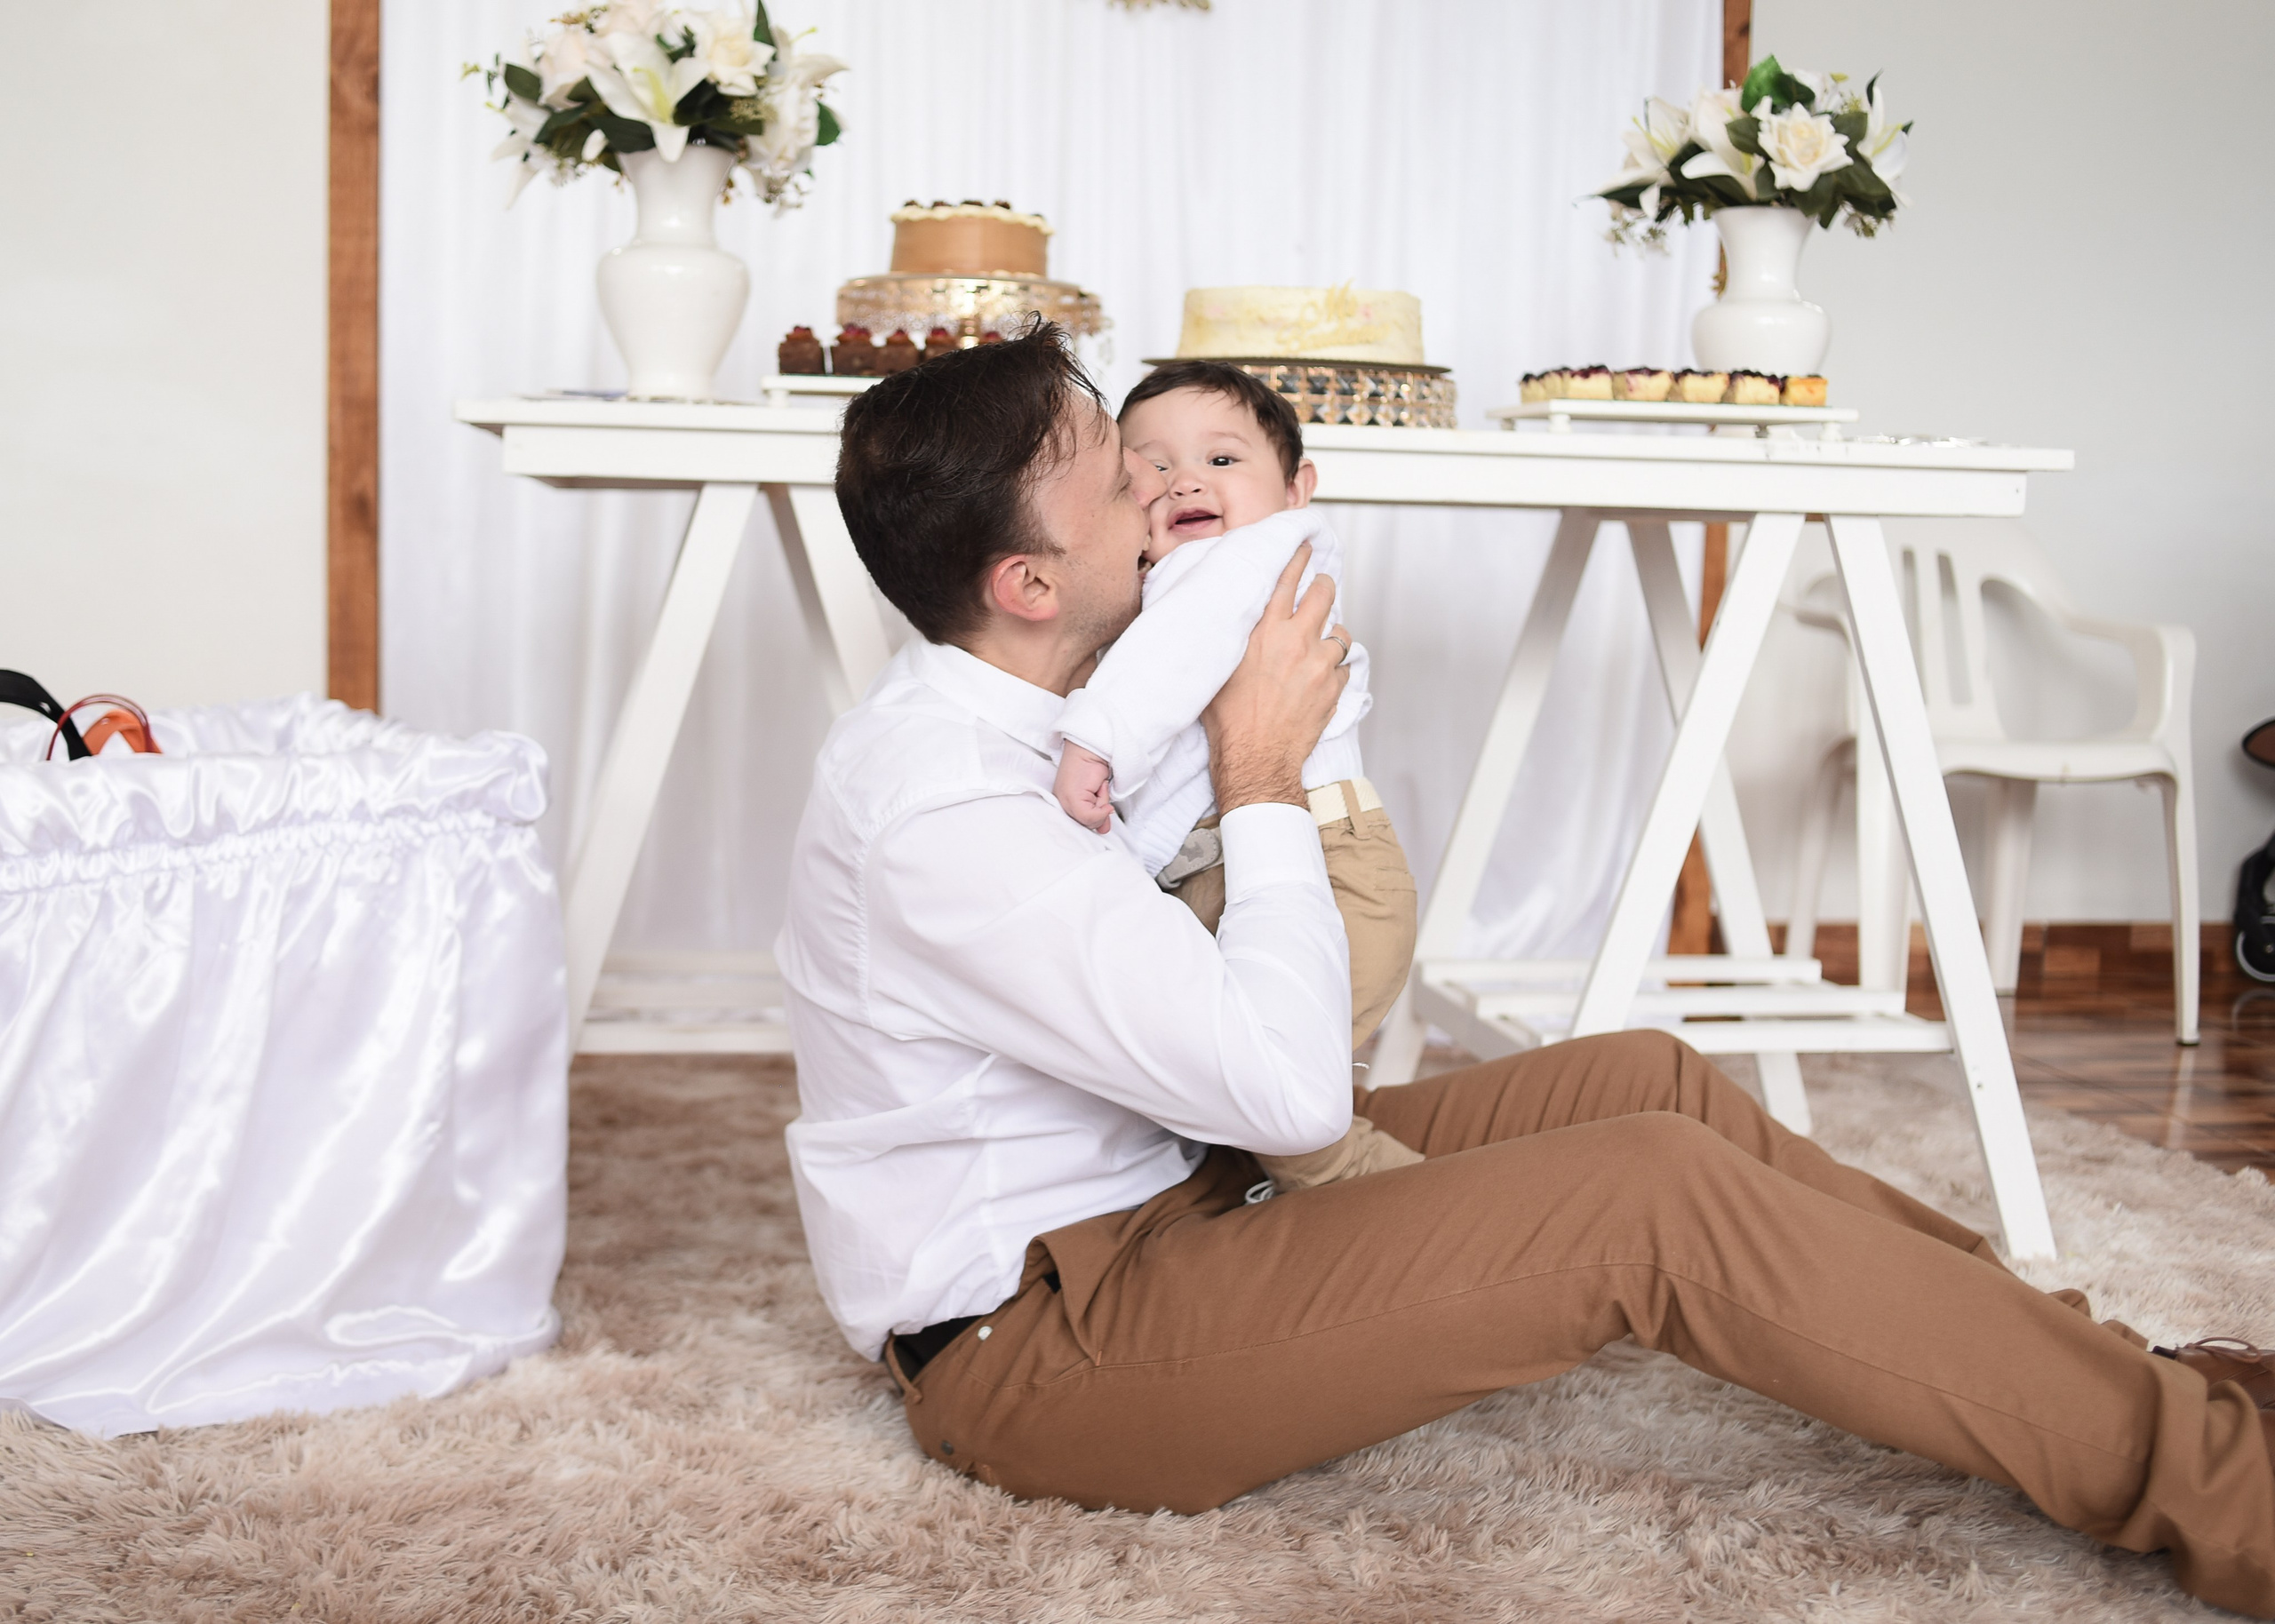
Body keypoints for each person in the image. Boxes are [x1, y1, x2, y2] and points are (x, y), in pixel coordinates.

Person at [778, 324, 2275, 1618]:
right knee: (1646, 1194)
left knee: (1643, 1079)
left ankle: (2089, 1363)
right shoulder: (945, 806)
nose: (1159, 487)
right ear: (1029, 582)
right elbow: (1292, 1087)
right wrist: (1264, 775)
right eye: (1117, 472)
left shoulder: (1043, 723)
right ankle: (2226, 1490)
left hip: (1180, 1190)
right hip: (1051, 1342)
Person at [1050, 360, 1419, 1192]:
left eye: (1222, 461)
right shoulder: (1169, 582)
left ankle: (1429, 1220)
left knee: (1285, 1114)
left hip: (1329, 870)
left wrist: (1093, 742)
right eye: (1150, 466)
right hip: (1243, 867)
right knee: (1230, 1078)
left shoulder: (1252, 559)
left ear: (1297, 489)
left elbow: (1179, 656)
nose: (1186, 480)